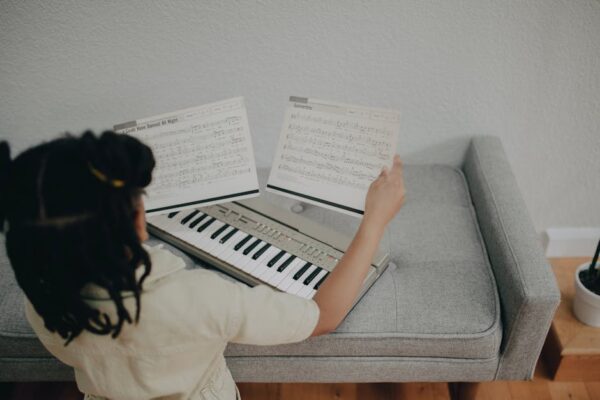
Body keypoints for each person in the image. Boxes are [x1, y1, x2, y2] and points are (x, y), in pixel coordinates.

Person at [0, 131, 405, 400]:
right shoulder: (199, 300)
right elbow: (321, 317)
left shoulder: (41, 299)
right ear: (137, 220)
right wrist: (374, 222)